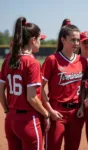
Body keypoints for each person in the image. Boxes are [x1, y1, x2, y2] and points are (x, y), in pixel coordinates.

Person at [0, 17, 50, 150]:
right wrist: (46, 113)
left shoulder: (7, 61)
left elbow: (0, 92)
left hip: (10, 120)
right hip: (28, 120)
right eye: (39, 39)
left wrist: (6, 110)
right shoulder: (32, 62)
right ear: (33, 40)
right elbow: (31, 97)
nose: (40, 43)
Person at [42, 24, 88, 150]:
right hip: (57, 112)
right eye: (73, 39)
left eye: (78, 40)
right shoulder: (52, 60)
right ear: (63, 40)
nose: (76, 43)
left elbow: (84, 87)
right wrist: (50, 111)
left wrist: (82, 107)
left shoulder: (82, 61)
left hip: (76, 113)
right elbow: (39, 88)